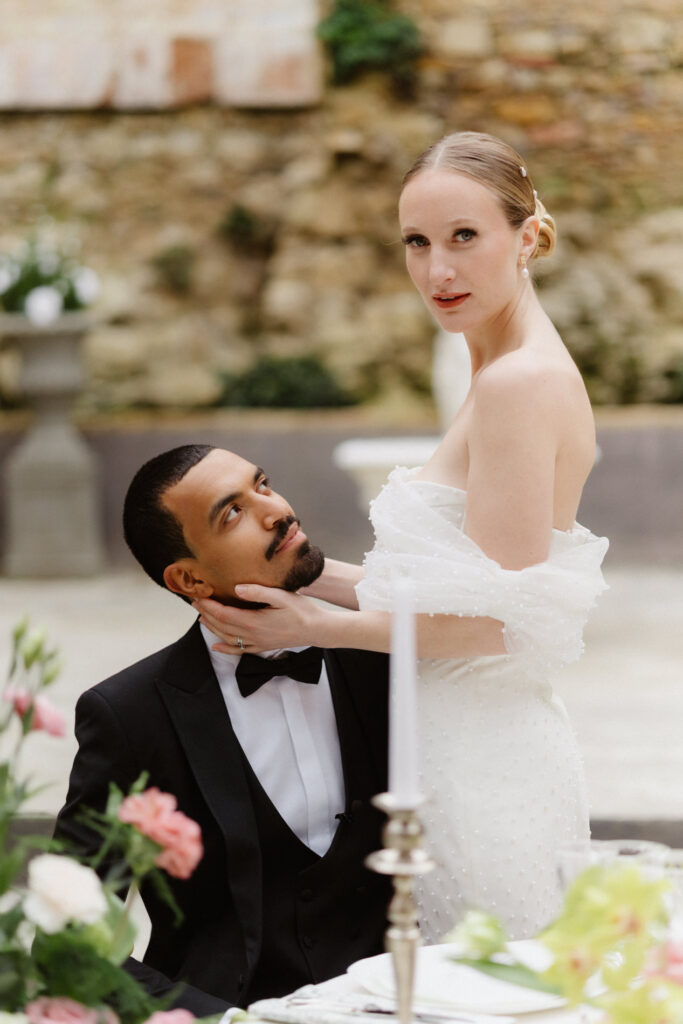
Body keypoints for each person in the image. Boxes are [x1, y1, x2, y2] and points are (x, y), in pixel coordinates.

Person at [194, 132, 610, 943]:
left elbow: (504, 625)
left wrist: (321, 627)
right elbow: (464, 590)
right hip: (451, 742)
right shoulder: (498, 369)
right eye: (416, 243)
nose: (436, 271)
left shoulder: (519, 383)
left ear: (525, 236)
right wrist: (301, 577)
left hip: (483, 767)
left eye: (463, 237)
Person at [54, 444, 390, 1015]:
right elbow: (69, 946)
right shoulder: (130, 714)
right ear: (189, 577)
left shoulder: (380, 654)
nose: (274, 509)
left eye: (262, 484)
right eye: (231, 513)